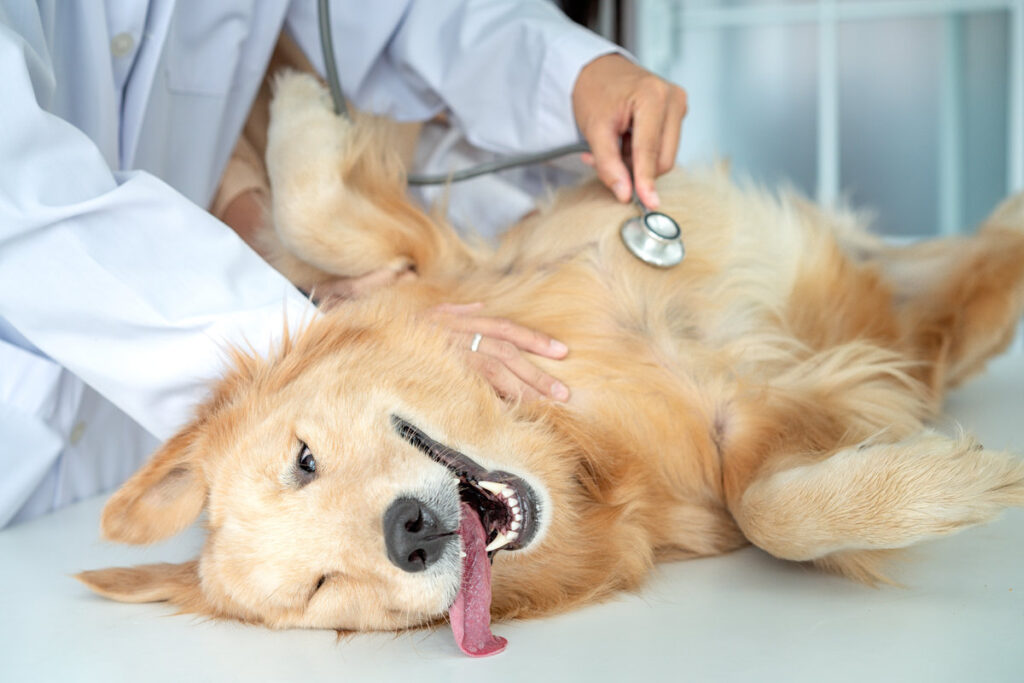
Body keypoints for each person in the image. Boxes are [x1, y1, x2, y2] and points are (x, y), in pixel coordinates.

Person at [0, 0, 687, 527]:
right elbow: (21, 196)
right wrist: (329, 343)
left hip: (170, 457)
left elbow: (404, 15)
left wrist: (574, 71)